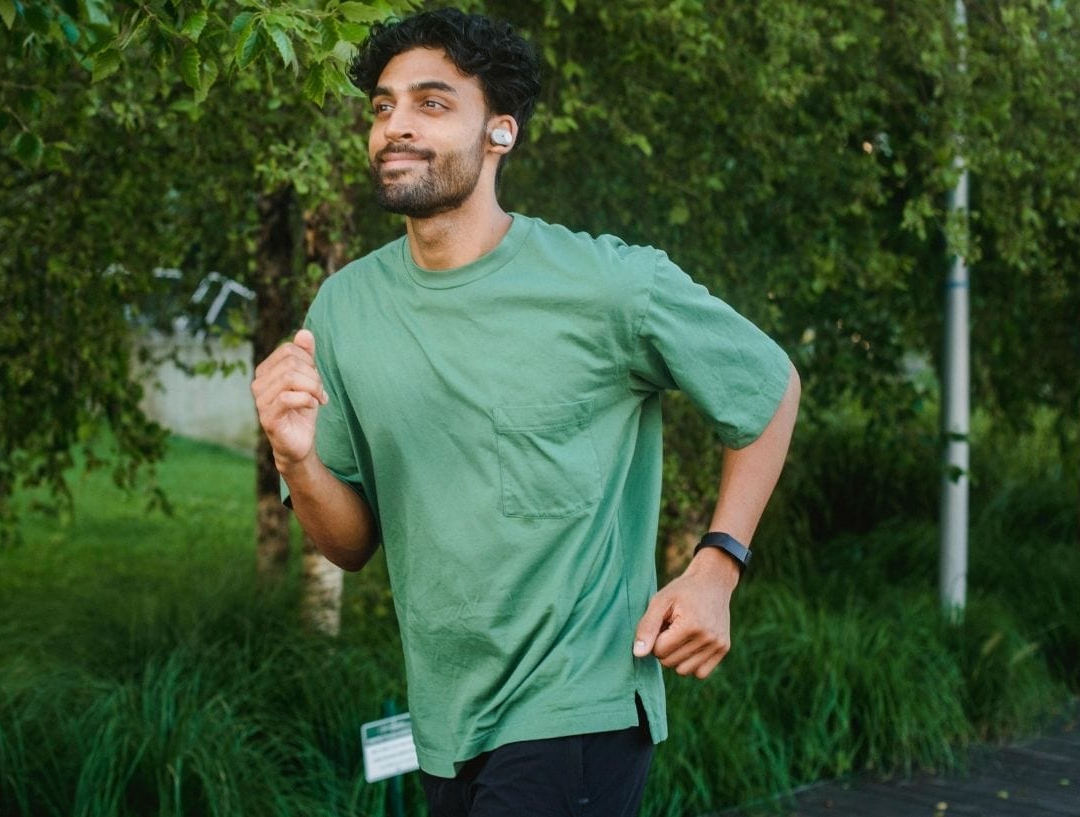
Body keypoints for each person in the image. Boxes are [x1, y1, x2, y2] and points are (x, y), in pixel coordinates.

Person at [250, 8, 800, 816]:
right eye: (383, 106)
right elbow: (350, 543)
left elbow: (768, 386)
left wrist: (718, 564)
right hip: (447, 721)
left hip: (579, 707)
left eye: (432, 103)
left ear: (500, 132)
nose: (395, 125)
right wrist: (296, 457)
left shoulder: (608, 284)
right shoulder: (344, 309)